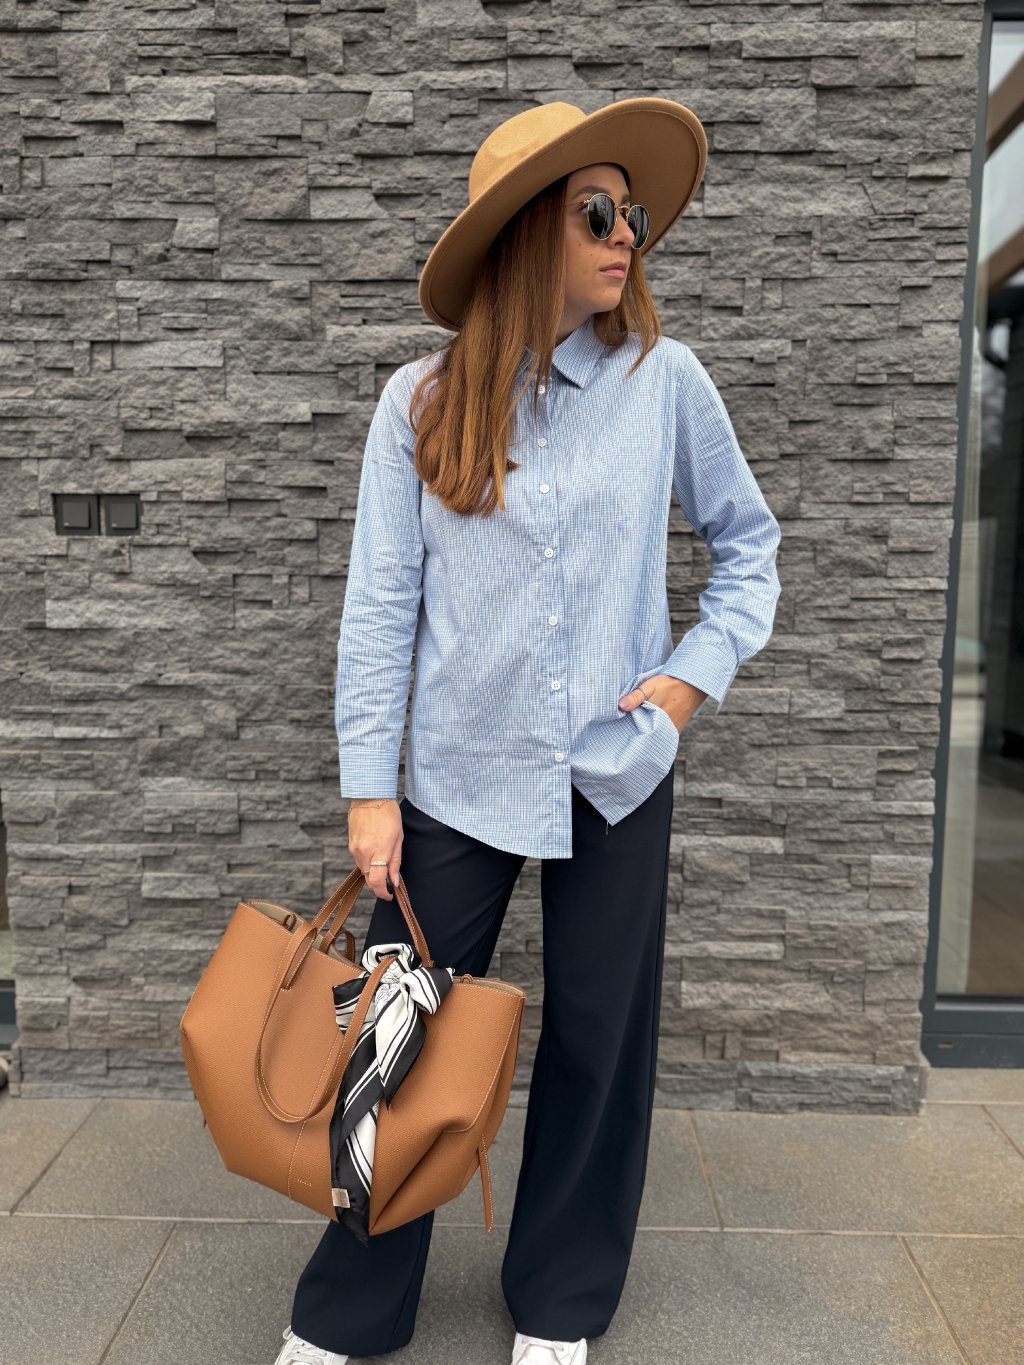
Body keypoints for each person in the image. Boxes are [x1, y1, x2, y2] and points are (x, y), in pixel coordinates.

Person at [273, 98, 782, 1365]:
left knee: (600, 1043)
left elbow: (750, 547)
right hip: (457, 776)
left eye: (632, 213)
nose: (626, 237)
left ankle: (559, 1300)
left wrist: (684, 682)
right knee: (395, 1036)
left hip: (616, 773)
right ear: (521, 235)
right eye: (596, 213)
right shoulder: (419, 402)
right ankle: (351, 1309)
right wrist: (368, 788)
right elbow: (381, 607)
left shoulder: (664, 382)